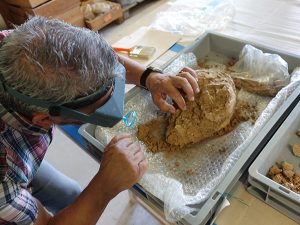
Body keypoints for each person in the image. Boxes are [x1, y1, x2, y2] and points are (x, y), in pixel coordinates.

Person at [0, 16, 199, 225]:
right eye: (99, 109)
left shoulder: (23, 45)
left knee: (71, 195)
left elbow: (101, 60)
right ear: (44, 119)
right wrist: (104, 187)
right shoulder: (6, 176)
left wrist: (149, 77)